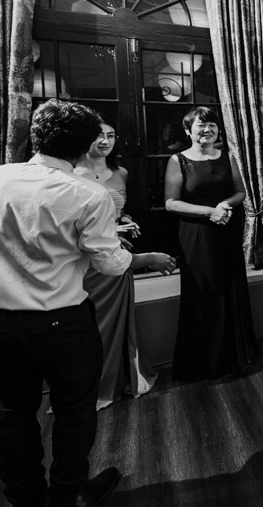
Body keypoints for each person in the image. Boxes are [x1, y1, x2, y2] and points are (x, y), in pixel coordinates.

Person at [0, 99, 175, 507]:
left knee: (12, 414)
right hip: (59, 322)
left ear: (35, 136)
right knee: (74, 412)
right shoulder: (86, 194)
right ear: (83, 147)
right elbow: (111, 264)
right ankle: (66, 496)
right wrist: (145, 257)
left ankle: (25, 498)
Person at [165, 106, 257, 380]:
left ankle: (233, 357)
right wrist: (209, 212)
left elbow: (240, 192)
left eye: (211, 125)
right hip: (196, 235)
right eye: (200, 126)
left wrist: (224, 205)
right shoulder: (177, 160)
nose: (207, 130)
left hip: (226, 231)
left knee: (230, 289)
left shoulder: (228, 157)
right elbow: (170, 203)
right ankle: (204, 363)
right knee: (203, 293)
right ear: (188, 131)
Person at [74, 114, 158, 409]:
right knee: (93, 327)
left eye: (111, 135)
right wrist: (111, 230)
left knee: (119, 323)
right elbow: (75, 223)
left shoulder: (120, 172)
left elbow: (117, 211)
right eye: (99, 135)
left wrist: (125, 220)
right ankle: (93, 387)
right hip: (89, 264)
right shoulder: (72, 173)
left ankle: (123, 378)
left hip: (117, 258)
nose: (105, 141)